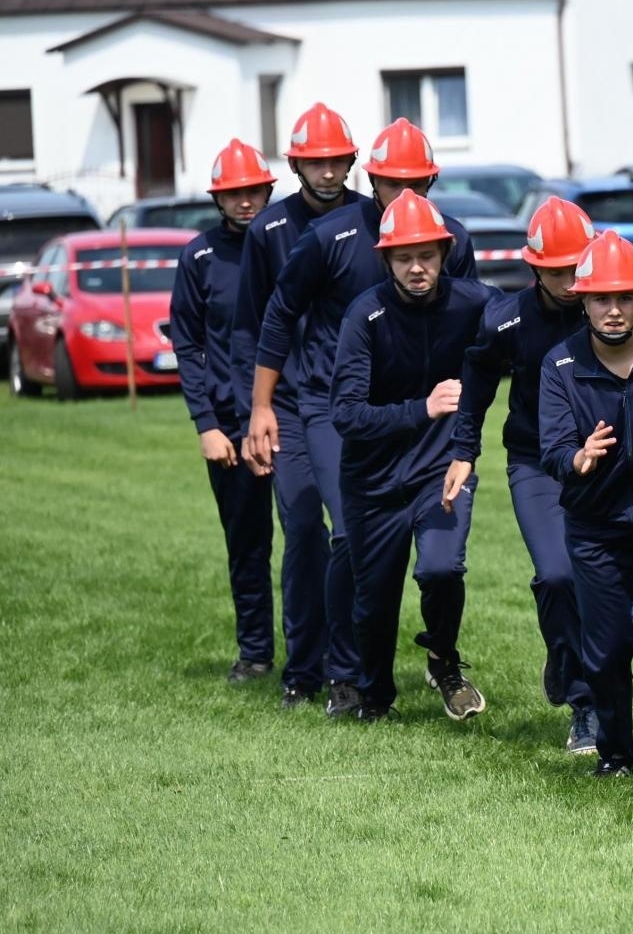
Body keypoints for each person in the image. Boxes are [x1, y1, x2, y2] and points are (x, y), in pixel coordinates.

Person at [247, 118, 478, 718]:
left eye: (415, 183)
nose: (403, 195)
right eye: (389, 182)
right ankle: (341, 674)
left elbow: (478, 332)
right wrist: (262, 407)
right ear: (370, 178)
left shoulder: (452, 239)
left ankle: (432, 660)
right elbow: (278, 316)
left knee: (437, 560)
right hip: (336, 406)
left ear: (432, 179)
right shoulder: (329, 237)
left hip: (429, 420)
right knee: (347, 533)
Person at [330, 190, 497, 722]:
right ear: (386, 260)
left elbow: (534, 322)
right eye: (404, 257)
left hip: (440, 470)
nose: (417, 268)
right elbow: (346, 414)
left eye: (427, 255)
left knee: (442, 569)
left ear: (446, 253)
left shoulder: (475, 302)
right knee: (374, 603)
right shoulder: (366, 314)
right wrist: (420, 409)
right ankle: (375, 696)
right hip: (371, 480)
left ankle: (444, 662)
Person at [443, 198, 594, 753]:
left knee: (607, 584)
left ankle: (568, 656)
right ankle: (584, 702)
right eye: (559, 271)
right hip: (534, 462)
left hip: (605, 462)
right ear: (534, 269)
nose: (573, 282)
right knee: (557, 574)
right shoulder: (506, 320)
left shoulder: (616, 305)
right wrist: (464, 449)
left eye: (579, 267)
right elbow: (477, 377)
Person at [537, 231, 633, 777]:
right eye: (602, 298)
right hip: (593, 521)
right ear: (583, 300)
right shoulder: (559, 365)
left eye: (625, 297)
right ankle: (617, 754)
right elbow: (549, 447)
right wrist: (575, 459)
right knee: (605, 647)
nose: (615, 310)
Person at [231, 101, 360, 708]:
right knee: (305, 529)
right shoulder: (269, 231)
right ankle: (301, 671)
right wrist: (251, 413)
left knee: (352, 536)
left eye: (336, 160)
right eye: (316, 161)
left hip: (356, 405)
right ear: (296, 164)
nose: (328, 171)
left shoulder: (373, 218)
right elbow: (252, 329)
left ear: (352, 162)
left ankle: (347, 666)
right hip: (286, 407)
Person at [169, 139, 278, 684]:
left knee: (319, 539)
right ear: (218, 198)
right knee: (247, 545)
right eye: (234, 193)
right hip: (228, 427)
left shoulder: (289, 243)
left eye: (254, 190)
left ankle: (330, 658)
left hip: (294, 417)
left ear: (269, 189)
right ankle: (256, 653)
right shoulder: (199, 257)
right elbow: (187, 346)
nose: (245, 201)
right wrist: (206, 425)